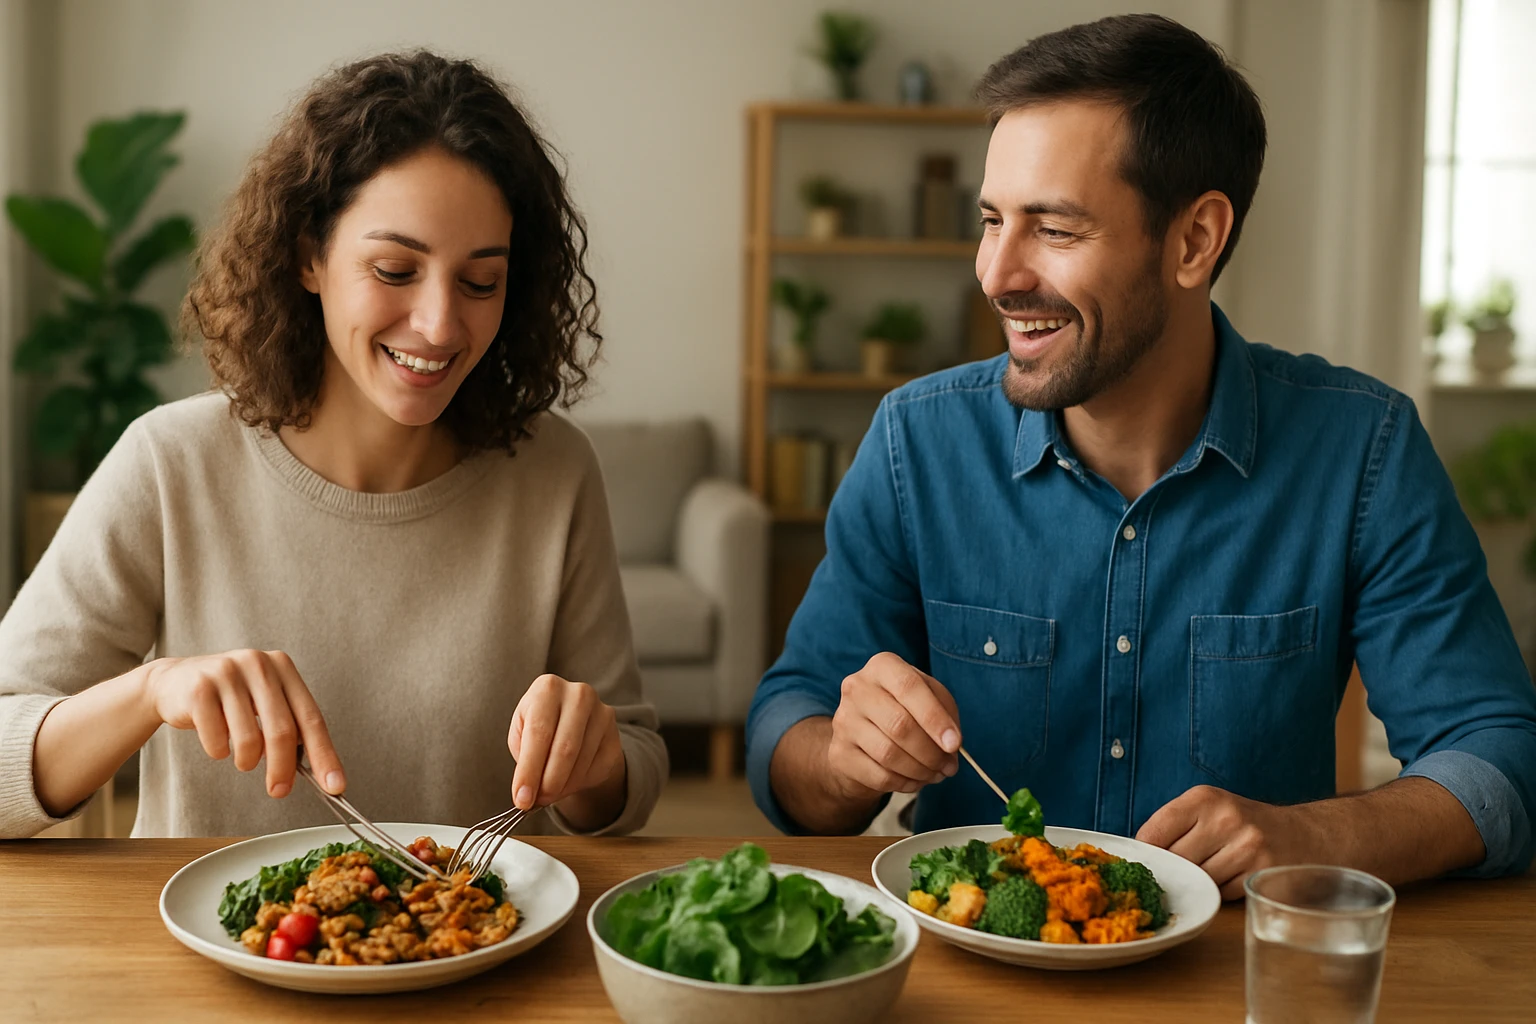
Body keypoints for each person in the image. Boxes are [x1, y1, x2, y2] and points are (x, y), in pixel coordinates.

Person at [746, 14, 1536, 896]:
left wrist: (1315, 835)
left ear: (1194, 241)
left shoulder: (1363, 450)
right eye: (993, 220)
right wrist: (843, 757)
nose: (997, 274)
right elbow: (786, 732)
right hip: (969, 954)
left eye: (1054, 229)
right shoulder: (915, 442)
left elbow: (1501, 756)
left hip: (1237, 957)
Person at [0, 50, 667, 839]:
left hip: (479, 918)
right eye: (394, 269)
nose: (439, 325)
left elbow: (631, 768)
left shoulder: (554, 470)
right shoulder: (171, 463)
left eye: (480, 282)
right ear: (308, 256)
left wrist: (593, 761)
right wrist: (152, 692)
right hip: (203, 923)